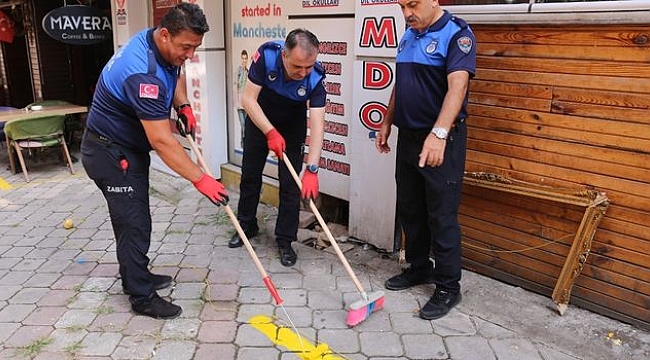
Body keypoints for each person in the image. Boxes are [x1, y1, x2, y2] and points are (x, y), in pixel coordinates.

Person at [81, 3, 228, 319]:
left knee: (135, 218)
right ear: (165, 35)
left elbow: (174, 72)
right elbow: (161, 140)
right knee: (134, 223)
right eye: (185, 47)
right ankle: (141, 296)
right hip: (109, 153)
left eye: (195, 48)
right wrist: (201, 178)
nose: (189, 55)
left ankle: (137, 274)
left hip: (125, 149)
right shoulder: (142, 74)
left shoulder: (157, 45)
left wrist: (184, 105)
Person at [375, 0, 476, 320]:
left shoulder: (457, 33)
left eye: (413, 5)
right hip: (409, 138)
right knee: (410, 208)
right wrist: (387, 121)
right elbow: (401, 84)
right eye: (402, 6)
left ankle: (448, 288)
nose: (406, 13)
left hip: (441, 141)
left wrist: (440, 134)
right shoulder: (408, 34)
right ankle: (419, 269)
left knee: (441, 215)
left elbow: (457, 88)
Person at [229, 28, 326, 267]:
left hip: (291, 122)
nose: (303, 73)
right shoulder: (267, 56)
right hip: (259, 116)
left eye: (308, 67)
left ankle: (285, 239)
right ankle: (246, 224)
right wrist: (269, 131)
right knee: (250, 175)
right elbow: (247, 99)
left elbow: (317, 126)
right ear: (284, 55)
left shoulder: (316, 79)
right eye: (297, 67)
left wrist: (312, 169)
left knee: (290, 185)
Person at [235, 49, 249, 148]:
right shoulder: (239, 71)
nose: (244, 60)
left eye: (245, 58)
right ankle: (243, 144)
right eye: (242, 58)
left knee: (247, 125)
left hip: (246, 102)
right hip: (239, 102)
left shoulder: (248, 72)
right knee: (243, 124)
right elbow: (237, 84)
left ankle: (245, 143)